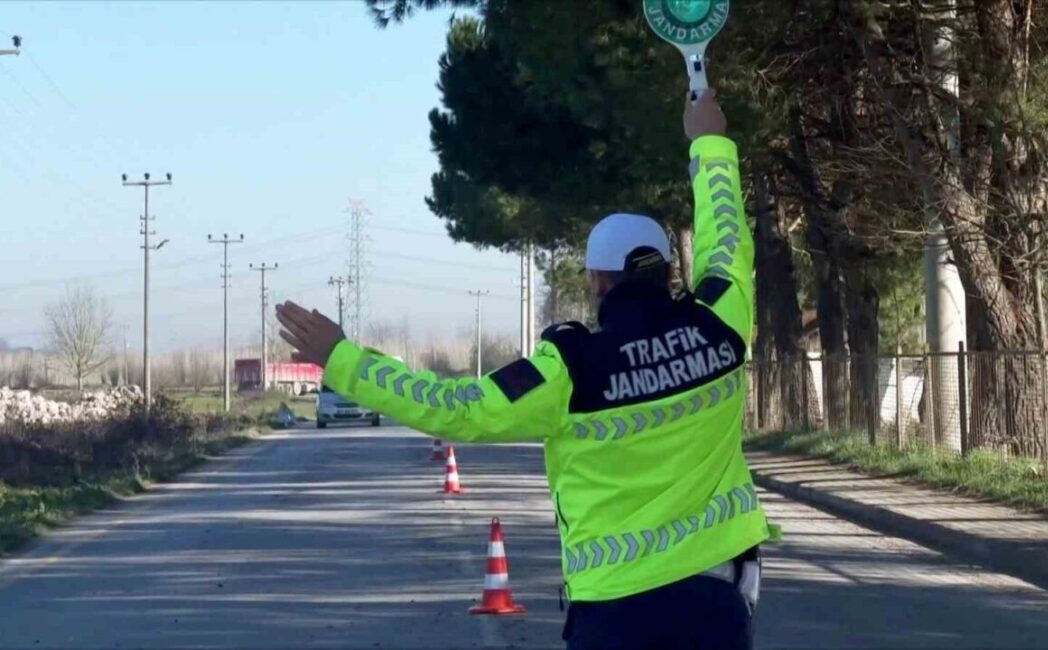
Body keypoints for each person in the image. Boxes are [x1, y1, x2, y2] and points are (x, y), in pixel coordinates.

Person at [276, 89, 768, 650]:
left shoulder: (571, 367)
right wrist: (710, 142)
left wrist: (344, 358)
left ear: (597, 282)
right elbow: (727, 242)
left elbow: (455, 410)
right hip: (717, 609)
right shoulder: (721, 327)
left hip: (615, 614)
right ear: (666, 276)